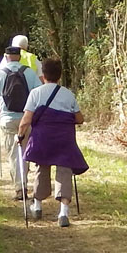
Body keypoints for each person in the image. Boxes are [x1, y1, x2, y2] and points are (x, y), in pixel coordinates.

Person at [18, 58, 88, 227]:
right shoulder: (68, 94)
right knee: (64, 170)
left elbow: (27, 119)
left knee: (41, 168)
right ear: (60, 75)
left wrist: (20, 135)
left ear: (43, 75)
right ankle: (63, 212)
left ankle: (38, 206)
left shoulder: (36, 93)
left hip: (43, 138)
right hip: (64, 138)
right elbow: (80, 119)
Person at [0, 44, 37, 198]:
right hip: (26, 119)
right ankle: (25, 183)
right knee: (25, 151)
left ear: (6, 58)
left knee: (14, 154)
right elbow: (38, 94)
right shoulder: (30, 73)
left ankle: (19, 188)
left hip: (7, 119)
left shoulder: (0, 74)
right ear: (20, 57)